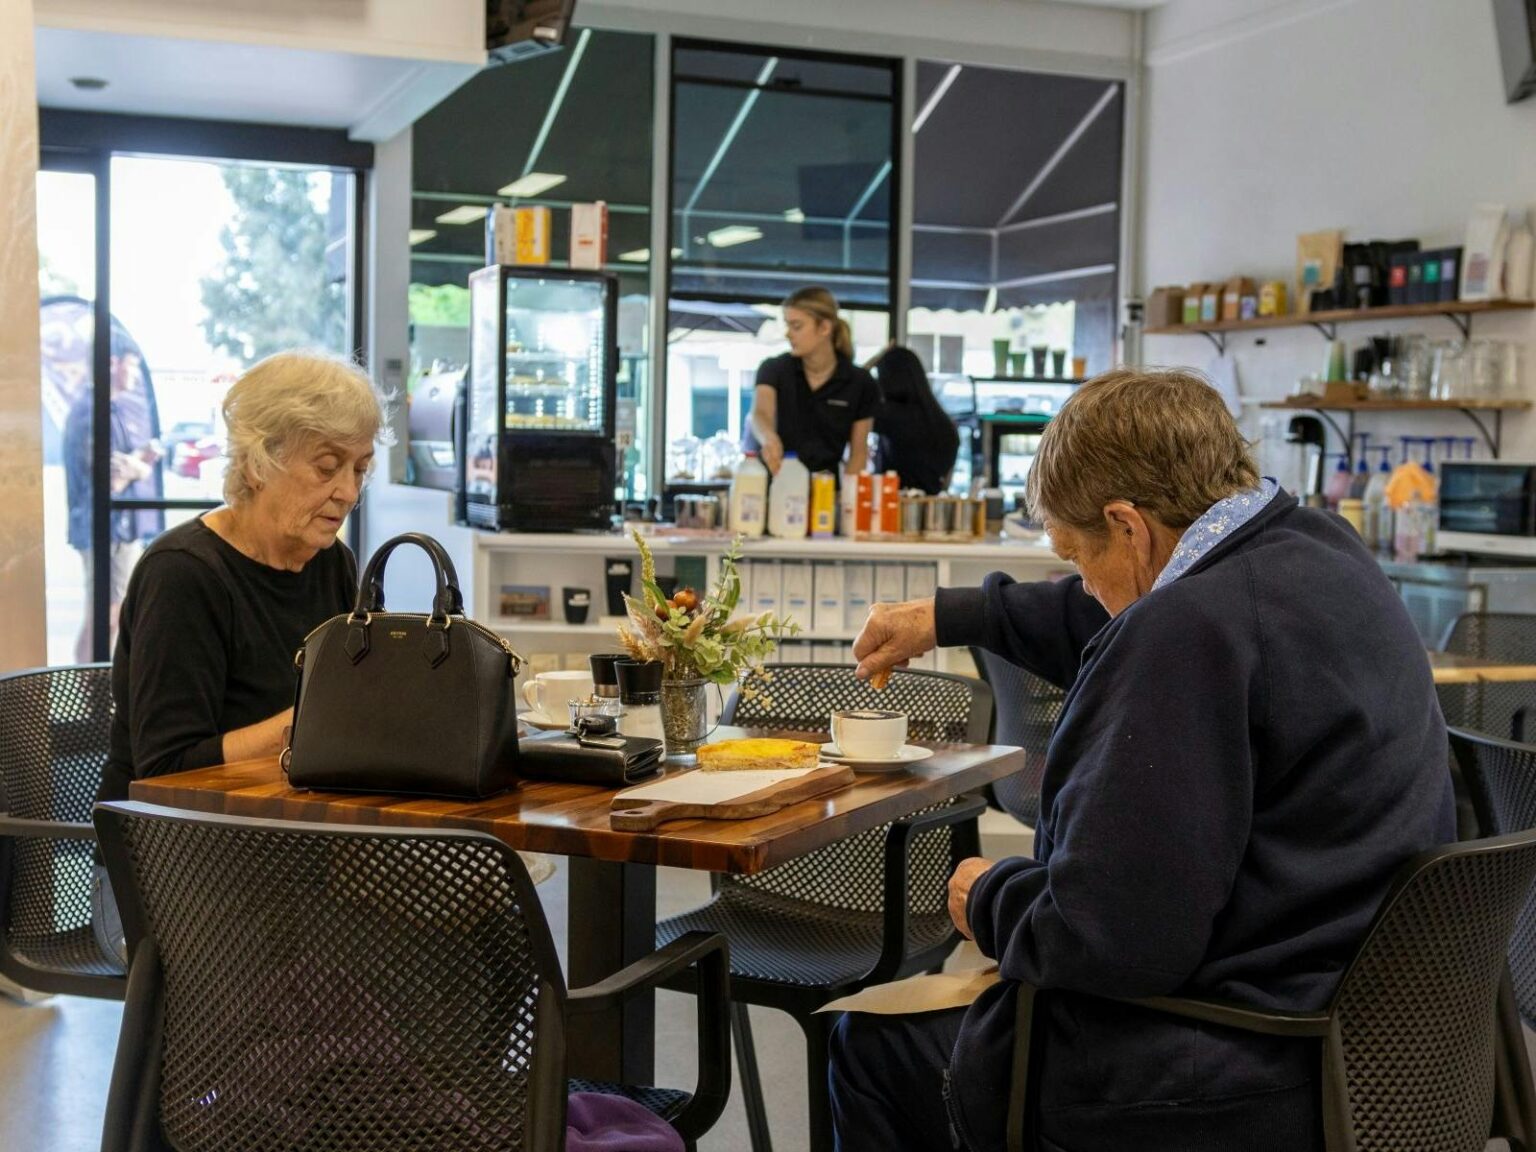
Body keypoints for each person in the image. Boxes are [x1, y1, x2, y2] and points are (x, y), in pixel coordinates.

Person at [833, 368, 1454, 1152]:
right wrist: (953, 614)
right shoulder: (1317, 551)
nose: (1082, 586)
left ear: (1128, 525)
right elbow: (1110, 609)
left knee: (871, 1044)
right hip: (1370, 1044)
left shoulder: (1185, 635)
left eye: (1075, 556)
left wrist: (991, 898)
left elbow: (1109, 942)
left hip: (1236, 1064)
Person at [91, 351, 390, 963]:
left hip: (288, 853)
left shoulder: (332, 562)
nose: (348, 492)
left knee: (477, 926)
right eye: (328, 467)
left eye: (360, 469)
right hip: (163, 873)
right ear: (260, 461)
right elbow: (166, 769)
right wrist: (307, 726)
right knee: (372, 959)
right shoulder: (185, 575)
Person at [63, 330, 165, 660]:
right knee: (105, 616)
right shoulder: (92, 411)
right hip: (106, 529)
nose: (135, 376)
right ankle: (92, 700)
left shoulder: (108, 409)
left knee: (109, 614)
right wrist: (140, 463)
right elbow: (111, 478)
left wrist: (132, 462)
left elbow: (119, 468)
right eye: (131, 367)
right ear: (112, 363)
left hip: (115, 529)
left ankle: (94, 696)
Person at [747, 286, 880, 477]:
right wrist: (768, 437)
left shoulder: (860, 382)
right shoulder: (774, 369)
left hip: (826, 491)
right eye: (787, 325)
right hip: (778, 483)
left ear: (824, 328)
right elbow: (760, 414)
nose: (788, 334)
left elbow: (858, 454)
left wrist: (848, 499)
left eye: (797, 326)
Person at [871, 344, 960, 494]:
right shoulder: (942, 422)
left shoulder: (888, 415)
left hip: (894, 504)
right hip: (931, 506)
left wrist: (870, 364)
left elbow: (853, 396)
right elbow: (946, 480)